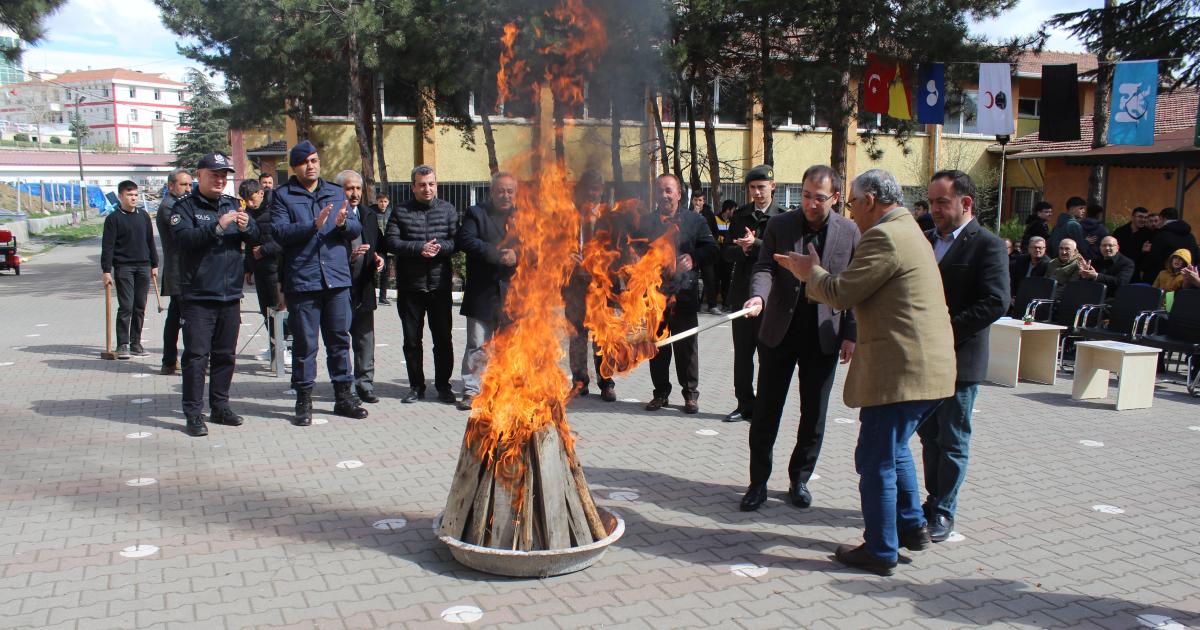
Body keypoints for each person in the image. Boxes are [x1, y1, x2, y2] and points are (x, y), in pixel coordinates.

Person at [774, 168, 955, 576]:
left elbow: (842, 293)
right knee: (895, 449)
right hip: (929, 370)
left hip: (902, 374)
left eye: (852, 202)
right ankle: (910, 528)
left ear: (870, 200)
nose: (851, 212)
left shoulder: (885, 236)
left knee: (874, 459)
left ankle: (880, 549)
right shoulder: (909, 230)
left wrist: (808, 272)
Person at [739, 164, 860, 512]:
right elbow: (764, 267)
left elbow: (854, 284)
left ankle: (800, 479)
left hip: (823, 334)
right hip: (780, 331)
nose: (810, 204)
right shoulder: (780, 225)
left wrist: (851, 333)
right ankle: (758, 482)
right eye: (805, 196)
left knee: (814, 414)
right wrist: (759, 297)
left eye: (818, 198)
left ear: (835, 198)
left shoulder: (849, 232)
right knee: (766, 411)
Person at [920, 169, 1010, 542]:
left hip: (960, 361)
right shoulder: (925, 241)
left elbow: (996, 301)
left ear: (965, 203)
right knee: (928, 436)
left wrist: (946, 330)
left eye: (942, 202)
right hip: (924, 359)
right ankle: (931, 498)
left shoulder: (986, 244)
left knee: (953, 439)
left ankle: (944, 510)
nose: (935, 209)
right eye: (931, 202)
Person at [271, 140, 368, 425]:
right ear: (295, 167)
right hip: (303, 281)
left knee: (340, 340)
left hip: (336, 280)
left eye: (314, 160)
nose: (311, 166)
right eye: (305, 162)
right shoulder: (282, 196)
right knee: (305, 344)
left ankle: (344, 397)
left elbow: (355, 228)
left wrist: (341, 224)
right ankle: (304, 399)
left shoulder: (336, 192)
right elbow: (278, 232)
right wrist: (311, 225)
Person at [169, 153, 259, 437]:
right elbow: (183, 240)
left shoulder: (233, 204)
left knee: (225, 355)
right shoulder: (184, 207)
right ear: (200, 175)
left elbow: (256, 237)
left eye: (224, 175)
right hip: (198, 296)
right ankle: (194, 413)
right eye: (214, 174)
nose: (220, 180)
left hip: (230, 294)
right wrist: (217, 226)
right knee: (196, 357)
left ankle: (220, 406)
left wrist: (248, 226)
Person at [643, 174, 719, 414]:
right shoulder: (646, 221)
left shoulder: (695, 220)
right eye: (659, 190)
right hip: (655, 296)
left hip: (684, 294)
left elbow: (712, 249)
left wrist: (693, 258)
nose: (664, 195)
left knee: (686, 347)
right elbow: (633, 248)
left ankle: (690, 394)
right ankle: (661, 393)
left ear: (678, 194)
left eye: (668, 190)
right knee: (658, 346)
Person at [386, 165, 458, 404]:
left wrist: (440, 248)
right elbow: (391, 241)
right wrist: (419, 248)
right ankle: (416, 386)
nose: (427, 189)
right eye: (422, 184)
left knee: (443, 340)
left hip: (439, 286)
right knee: (412, 341)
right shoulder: (400, 211)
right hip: (411, 287)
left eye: (431, 184)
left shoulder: (447, 209)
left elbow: (456, 241)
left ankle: (443, 386)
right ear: (413, 187)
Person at [722, 165, 783, 423]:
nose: (757, 193)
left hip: (770, 298)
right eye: (753, 188)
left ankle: (765, 406)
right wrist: (744, 250)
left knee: (767, 354)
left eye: (762, 187)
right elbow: (725, 252)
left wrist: (755, 245)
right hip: (742, 294)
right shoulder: (741, 216)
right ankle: (744, 404)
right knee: (743, 354)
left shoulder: (782, 218)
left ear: (773, 186)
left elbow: (783, 256)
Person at [458, 171, 520, 410]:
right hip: (482, 293)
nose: (505, 195)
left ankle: (504, 388)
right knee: (477, 345)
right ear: (491, 192)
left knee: (509, 345)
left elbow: (536, 246)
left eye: (510, 191)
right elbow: (466, 240)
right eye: (500, 190)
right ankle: (472, 390)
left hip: (513, 294)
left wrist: (518, 255)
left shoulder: (524, 215)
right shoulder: (476, 213)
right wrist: (495, 253)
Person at [565, 169, 616, 401]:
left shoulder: (611, 217)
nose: (592, 192)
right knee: (577, 336)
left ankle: (606, 382)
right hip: (574, 284)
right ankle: (579, 381)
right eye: (589, 188)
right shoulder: (569, 216)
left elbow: (620, 249)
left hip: (601, 284)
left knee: (603, 336)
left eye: (596, 188)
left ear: (602, 191)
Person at [338, 170, 385, 404]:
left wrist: (379, 259)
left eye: (357, 189)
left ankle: (365, 384)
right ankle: (344, 385)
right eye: (349, 189)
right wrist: (350, 256)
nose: (354, 193)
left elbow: (380, 244)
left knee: (365, 338)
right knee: (341, 339)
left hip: (364, 286)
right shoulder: (333, 216)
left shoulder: (367, 214)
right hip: (340, 287)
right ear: (340, 191)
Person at [101, 180, 158, 360]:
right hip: (124, 267)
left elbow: (150, 241)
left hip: (143, 266)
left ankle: (136, 343)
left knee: (140, 306)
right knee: (126, 306)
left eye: (135, 195)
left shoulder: (143, 216)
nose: (133, 198)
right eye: (129, 195)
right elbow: (108, 246)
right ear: (120, 197)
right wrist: (106, 270)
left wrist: (154, 264)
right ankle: (123, 344)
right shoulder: (113, 219)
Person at [242, 178, 287, 371]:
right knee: (265, 311)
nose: (250, 204)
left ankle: (286, 347)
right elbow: (249, 245)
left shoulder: (275, 210)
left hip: (275, 269)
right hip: (259, 269)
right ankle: (274, 345)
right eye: (246, 201)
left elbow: (284, 239)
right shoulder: (248, 213)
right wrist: (247, 267)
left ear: (260, 193)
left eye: (251, 199)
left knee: (278, 310)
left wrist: (265, 250)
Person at [156, 169, 191, 373]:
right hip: (179, 272)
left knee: (175, 317)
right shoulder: (170, 207)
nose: (188, 189)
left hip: (182, 271)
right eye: (183, 185)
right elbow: (187, 233)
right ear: (171, 186)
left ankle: (169, 361)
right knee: (187, 318)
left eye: (189, 185)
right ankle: (186, 361)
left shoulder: (179, 204)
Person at [1142, 207, 1199, 284]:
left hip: (1164, 281)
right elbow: (1196, 255)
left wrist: (1144, 253)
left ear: (1162, 218)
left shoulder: (1161, 235)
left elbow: (1153, 259)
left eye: (1158, 220)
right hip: (1186, 279)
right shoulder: (1190, 236)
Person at [692, 191, 723, 315]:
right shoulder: (687, 213)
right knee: (692, 279)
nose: (698, 203)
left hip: (705, 252)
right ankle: (695, 305)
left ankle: (712, 305)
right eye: (695, 200)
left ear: (704, 201)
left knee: (709, 278)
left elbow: (715, 231)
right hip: (692, 252)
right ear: (692, 200)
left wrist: (710, 246)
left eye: (700, 200)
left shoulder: (709, 214)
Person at [1010, 236, 1050, 303]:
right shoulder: (1020, 260)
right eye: (1035, 247)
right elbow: (1012, 279)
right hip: (1016, 296)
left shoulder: (1048, 264)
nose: (1037, 250)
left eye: (1040, 248)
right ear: (1029, 249)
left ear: (1045, 249)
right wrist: (1011, 296)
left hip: (1034, 300)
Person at [715, 199, 738, 310]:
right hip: (717, 256)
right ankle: (712, 304)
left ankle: (726, 303)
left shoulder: (733, 222)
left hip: (728, 256)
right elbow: (714, 236)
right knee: (715, 279)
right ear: (727, 210)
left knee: (727, 280)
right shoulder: (715, 220)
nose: (734, 212)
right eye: (733, 210)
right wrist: (724, 240)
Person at [1112, 206, 1151, 270]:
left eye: (1145, 217)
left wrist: (1142, 251)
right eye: (1140, 217)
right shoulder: (1120, 231)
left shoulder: (1148, 234)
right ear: (1132, 217)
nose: (1143, 219)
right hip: (1119, 267)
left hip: (1136, 268)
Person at [372, 193, 392, 305]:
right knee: (373, 271)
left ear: (388, 202)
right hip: (376, 246)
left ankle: (382, 297)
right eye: (380, 201)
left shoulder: (391, 213)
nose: (382, 204)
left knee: (385, 272)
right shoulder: (371, 213)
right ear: (377, 201)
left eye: (385, 201)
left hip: (387, 246)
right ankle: (371, 295)